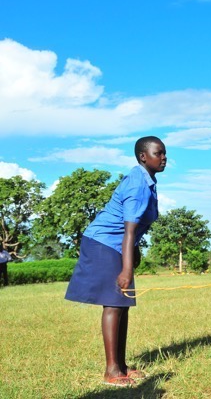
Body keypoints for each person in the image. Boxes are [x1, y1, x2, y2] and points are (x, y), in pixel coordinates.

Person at [65, 136, 167, 387]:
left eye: (165, 153)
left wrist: (132, 255)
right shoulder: (137, 184)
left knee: (122, 304)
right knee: (113, 302)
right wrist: (125, 268)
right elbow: (129, 230)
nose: (164, 158)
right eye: (158, 153)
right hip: (103, 244)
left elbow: (133, 233)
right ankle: (111, 371)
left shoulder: (147, 180)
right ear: (143, 156)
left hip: (116, 245)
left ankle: (121, 365)